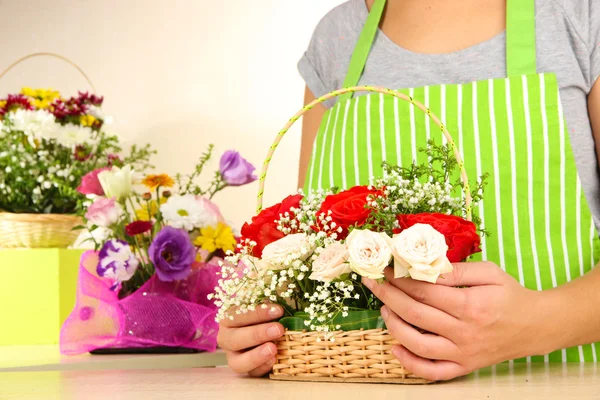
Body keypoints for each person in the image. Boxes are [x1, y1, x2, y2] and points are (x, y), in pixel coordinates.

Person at [218, 0, 600, 381]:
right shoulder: (338, 37)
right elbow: (305, 247)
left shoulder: (577, 16)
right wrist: (265, 329)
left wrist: (535, 325)